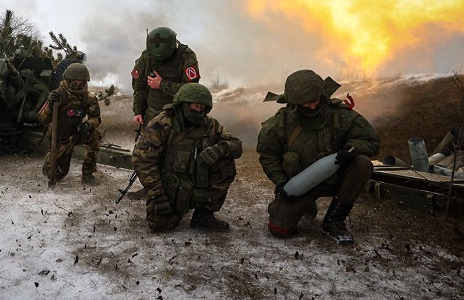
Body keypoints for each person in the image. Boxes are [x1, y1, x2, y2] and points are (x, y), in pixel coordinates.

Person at [256, 69, 381, 244]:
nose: (313, 106)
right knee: (279, 228)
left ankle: (334, 220)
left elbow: (371, 140)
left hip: (337, 178)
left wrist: (352, 149)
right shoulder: (281, 122)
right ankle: (300, 205)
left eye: (316, 101)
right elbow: (268, 154)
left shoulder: (340, 115)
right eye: (307, 103)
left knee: (362, 163)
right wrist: (281, 182)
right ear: (295, 102)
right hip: (302, 182)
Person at [131, 83, 243, 232]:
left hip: (198, 180)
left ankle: (204, 214)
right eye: (195, 106)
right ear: (183, 104)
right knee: (160, 224)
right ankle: (174, 205)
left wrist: (220, 149)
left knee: (225, 163)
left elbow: (236, 144)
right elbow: (143, 160)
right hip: (170, 184)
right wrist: (157, 195)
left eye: (202, 107)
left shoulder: (209, 125)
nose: (199, 110)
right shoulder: (163, 124)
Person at [128, 26, 200, 199]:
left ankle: (178, 190)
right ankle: (151, 188)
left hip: (179, 114)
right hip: (153, 114)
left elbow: (192, 89)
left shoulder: (186, 57)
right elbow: (139, 87)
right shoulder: (147, 57)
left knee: (178, 155)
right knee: (150, 154)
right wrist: (138, 110)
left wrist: (163, 85)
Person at [39, 63, 101, 185]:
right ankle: (50, 161)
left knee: (94, 136)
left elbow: (96, 118)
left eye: (81, 83)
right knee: (58, 174)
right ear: (67, 80)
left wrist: (88, 124)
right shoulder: (57, 96)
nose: (78, 85)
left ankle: (88, 174)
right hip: (59, 136)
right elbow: (42, 120)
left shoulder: (89, 98)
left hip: (76, 132)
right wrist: (50, 104)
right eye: (75, 82)